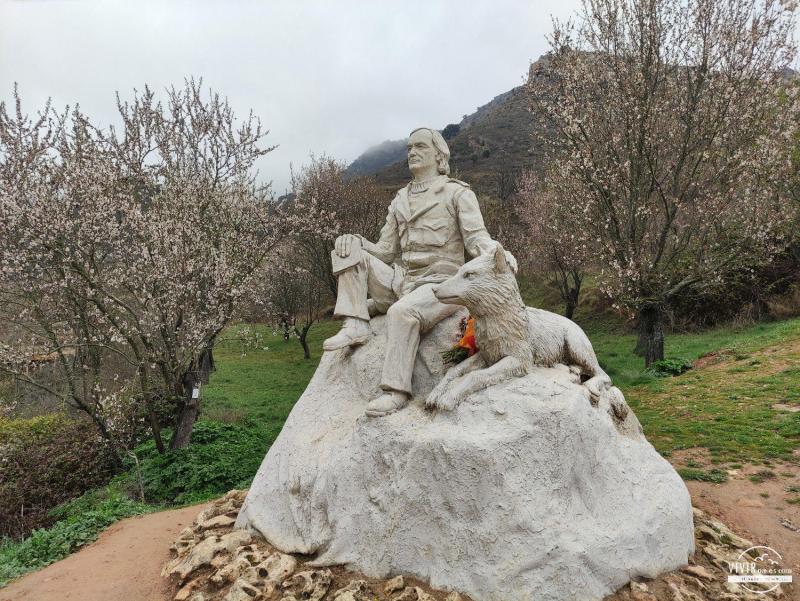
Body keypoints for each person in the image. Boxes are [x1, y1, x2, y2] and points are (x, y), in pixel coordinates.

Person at [323, 127, 516, 417]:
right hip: (403, 282)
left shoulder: (457, 193)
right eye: (410, 148)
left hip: (440, 286)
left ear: (439, 156)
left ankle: (395, 391)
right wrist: (356, 242)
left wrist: (498, 254)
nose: (412, 152)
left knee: (400, 313)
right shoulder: (400, 198)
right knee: (348, 250)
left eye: (420, 147)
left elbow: (478, 239)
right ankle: (356, 325)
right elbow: (386, 251)